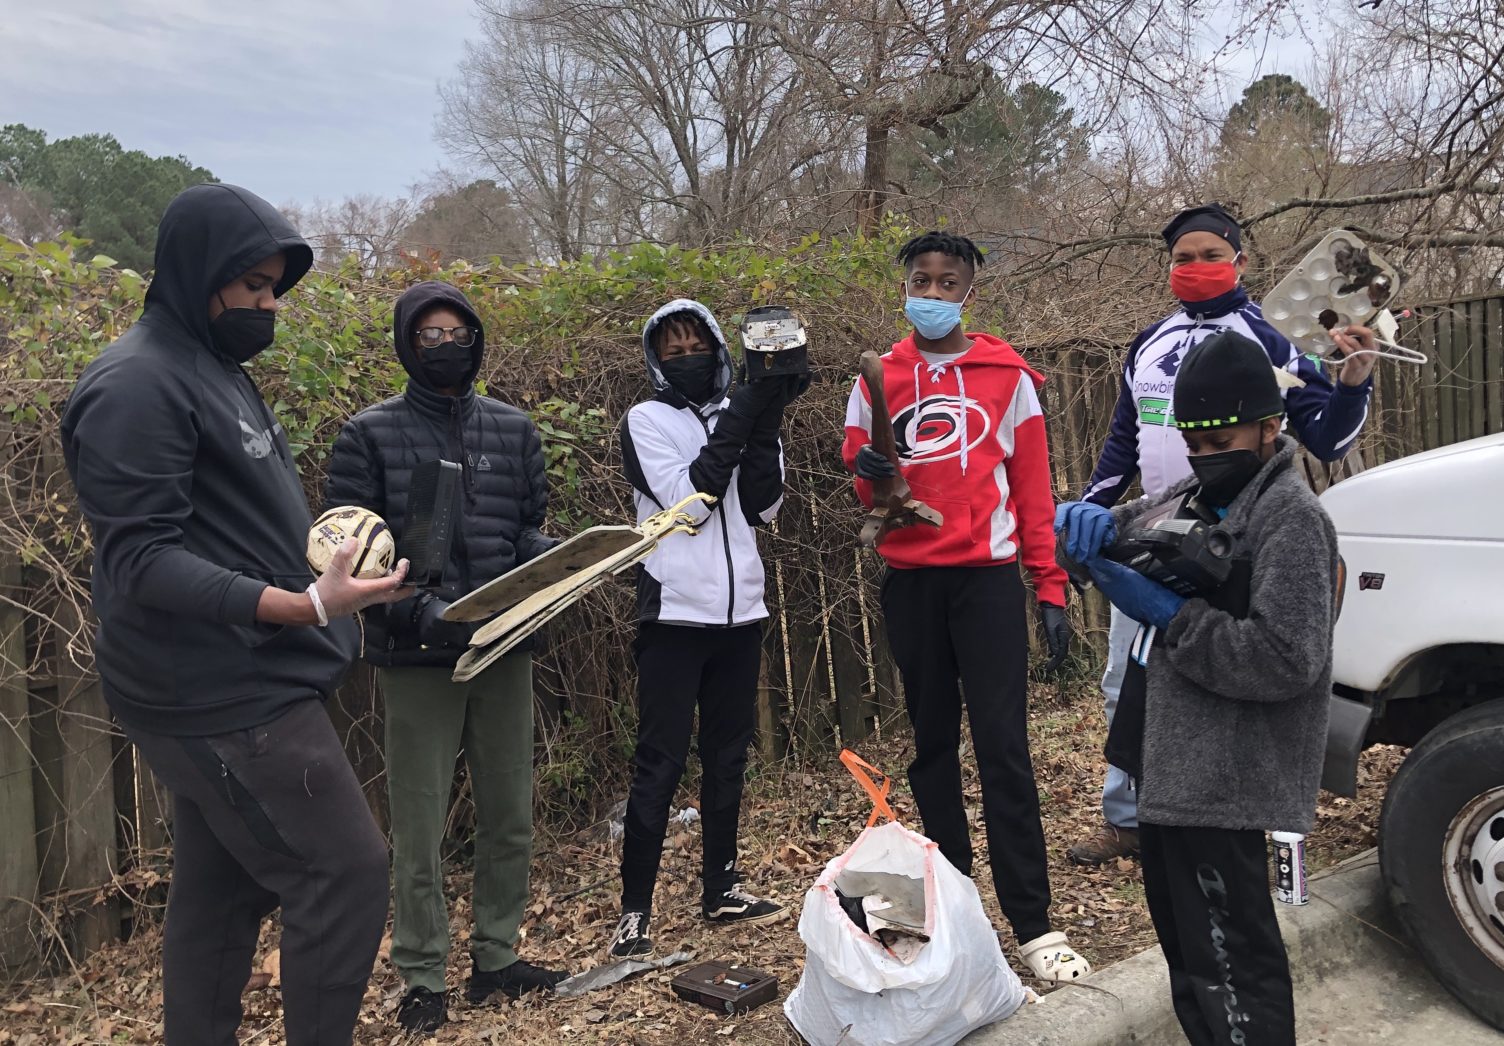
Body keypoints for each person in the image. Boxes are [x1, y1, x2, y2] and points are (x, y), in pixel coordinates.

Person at [59, 184, 411, 1046]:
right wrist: (298, 605)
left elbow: (220, 515)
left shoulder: (210, 368)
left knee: (223, 889)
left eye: (274, 288)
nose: (267, 304)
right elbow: (140, 559)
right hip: (219, 694)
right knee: (346, 873)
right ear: (197, 274)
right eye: (251, 285)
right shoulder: (134, 385)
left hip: (250, 677)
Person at [1069, 202, 1375, 867]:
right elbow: (1124, 442)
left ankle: (1234, 823)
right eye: (1184, 257)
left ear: (1240, 261)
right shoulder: (1148, 343)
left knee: (1224, 679)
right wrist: (1087, 515)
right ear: (1169, 267)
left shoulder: (1273, 339)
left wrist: (1353, 383)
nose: (1198, 267)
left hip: (1236, 541)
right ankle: (1129, 817)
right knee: (1128, 680)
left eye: (1213, 255)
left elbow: (1324, 435)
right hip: (1153, 536)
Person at [1055, 329, 1339, 1045]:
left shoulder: (1291, 521)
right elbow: (1122, 531)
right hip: (1172, 769)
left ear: (1270, 428)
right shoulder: (1192, 490)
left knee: (1233, 963)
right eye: (1194, 441)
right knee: (1190, 953)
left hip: (1229, 778)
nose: (1206, 457)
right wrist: (1083, 527)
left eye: (1221, 440)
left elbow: (1286, 658)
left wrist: (1173, 616)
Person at [842, 231, 1088, 983]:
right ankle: (956, 905)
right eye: (922, 279)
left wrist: (1049, 587)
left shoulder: (1007, 378)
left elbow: (1034, 491)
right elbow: (865, 490)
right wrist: (870, 473)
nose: (935, 292)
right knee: (932, 750)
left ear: (969, 293)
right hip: (913, 585)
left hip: (985, 580)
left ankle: (1033, 922)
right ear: (905, 287)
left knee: (1004, 748)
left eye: (949, 282)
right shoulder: (876, 379)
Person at [323, 281, 565, 1033]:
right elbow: (349, 551)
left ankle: (497, 958)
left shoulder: (513, 430)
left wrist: (557, 565)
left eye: (459, 332)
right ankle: (423, 973)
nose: (446, 345)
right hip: (419, 655)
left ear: (478, 340)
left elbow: (527, 528)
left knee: (508, 814)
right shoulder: (368, 435)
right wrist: (420, 613)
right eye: (429, 334)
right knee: (420, 824)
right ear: (406, 343)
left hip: (504, 646)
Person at [608, 299, 807, 958]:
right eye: (673, 349)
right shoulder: (644, 420)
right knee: (659, 765)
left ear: (721, 349)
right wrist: (747, 412)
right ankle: (635, 912)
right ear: (657, 361)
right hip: (673, 614)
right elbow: (690, 502)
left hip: (740, 612)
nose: (688, 356)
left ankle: (721, 887)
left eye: (698, 344)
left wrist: (768, 412)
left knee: (728, 758)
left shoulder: (738, 412)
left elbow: (761, 505)